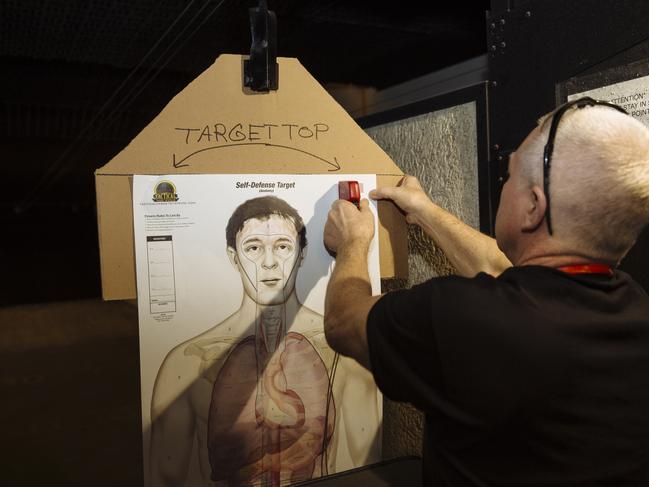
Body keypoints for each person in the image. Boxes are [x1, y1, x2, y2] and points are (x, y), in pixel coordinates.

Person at [323, 98, 649, 486]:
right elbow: (507, 271)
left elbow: (344, 320)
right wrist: (425, 211)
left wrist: (352, 243)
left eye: (508, 178)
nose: (503, 187)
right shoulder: (635, 309)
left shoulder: (463, 318)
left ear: (533, 207)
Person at [150, 196, 380, 487]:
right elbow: (164, 477)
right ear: (234, 258)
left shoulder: (345, 349)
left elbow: (368, 465)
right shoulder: (185, 363)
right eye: (254, 248)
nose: (269, 263)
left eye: (282, 247)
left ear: (302, 254)